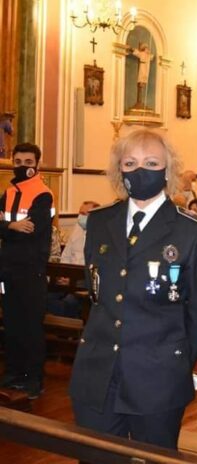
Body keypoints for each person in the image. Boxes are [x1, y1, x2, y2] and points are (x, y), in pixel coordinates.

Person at [68, 129, 197, 450]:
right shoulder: (99, 222)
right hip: (96, 374)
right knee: (95, 457)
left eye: (151, 162)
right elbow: (97, 292)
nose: (140, 170)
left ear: (167, 170)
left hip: (158, 377)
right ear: (118, 170)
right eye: (130, 162)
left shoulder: (192, 231)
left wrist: (175, 362)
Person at [0, 143, 55, 398]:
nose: (23, 166)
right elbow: (14, 229)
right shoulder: (8, 193)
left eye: (28, 162)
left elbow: (33, 229)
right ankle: (13, 374)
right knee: (11, 325)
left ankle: (34, 379)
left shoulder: (43, 194)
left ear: (37, 164)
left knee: (31, 327)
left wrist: (7, 227)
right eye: (18, 161)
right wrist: (12, 227)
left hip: (31, 271)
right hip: (8, 269)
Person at [61, 201, 100, 265]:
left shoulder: (101, 235)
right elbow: (65, 257)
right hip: (73, 271)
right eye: (79, 213)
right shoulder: (77, 228)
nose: (80, 216)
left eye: (83, 214)